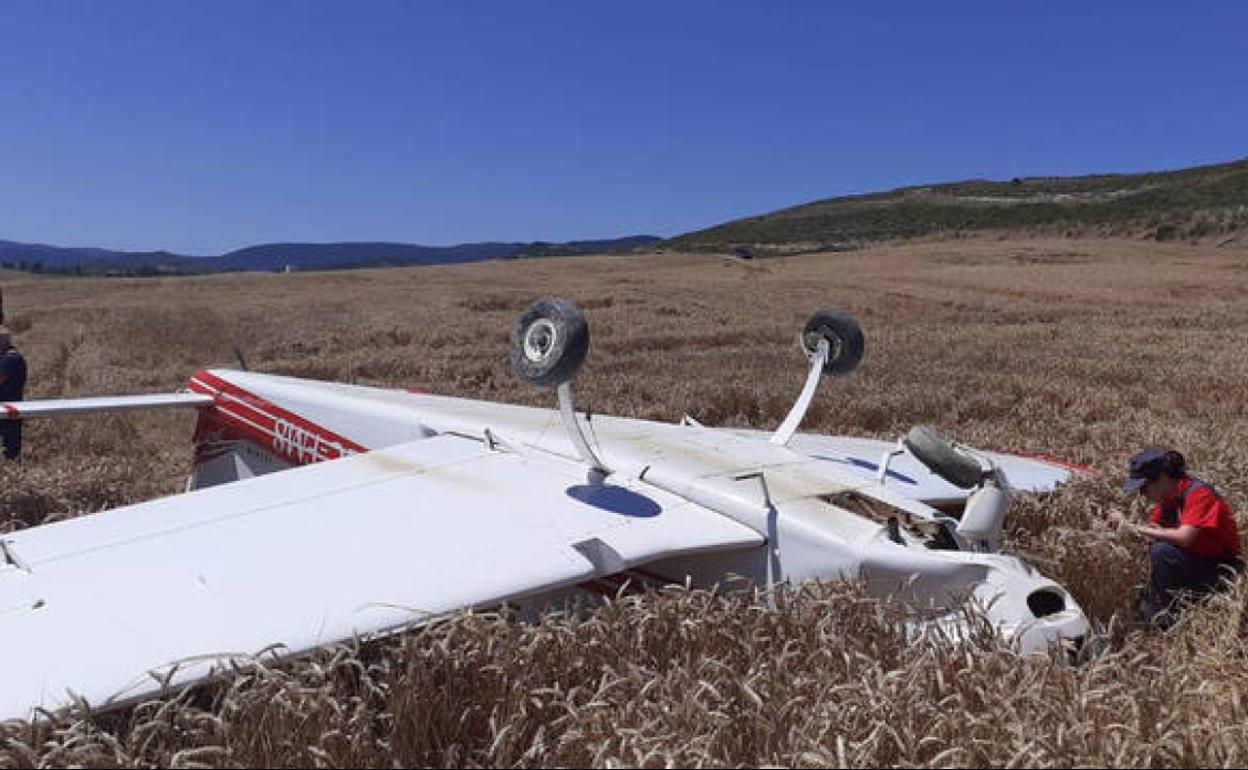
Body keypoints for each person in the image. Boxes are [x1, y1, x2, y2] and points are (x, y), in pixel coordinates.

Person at [1107, 448, 1242, 627]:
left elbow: (1184, 538)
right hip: (1196, 563)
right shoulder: (1168, 500)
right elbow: (1151, 534)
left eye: (1144, 488)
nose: (1142, 495)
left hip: (1222, 570)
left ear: (1162, 479)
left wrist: (1129, 525)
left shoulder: (1199, 493)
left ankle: (1167, 616)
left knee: (1161, 552)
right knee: (1154, 550)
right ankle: (1159, 607)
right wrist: (1122, 529)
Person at [0, 327, 26, 460]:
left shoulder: (8, 359)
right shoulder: (17, 356)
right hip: (14, 404)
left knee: (8, 445)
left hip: (7, 407)